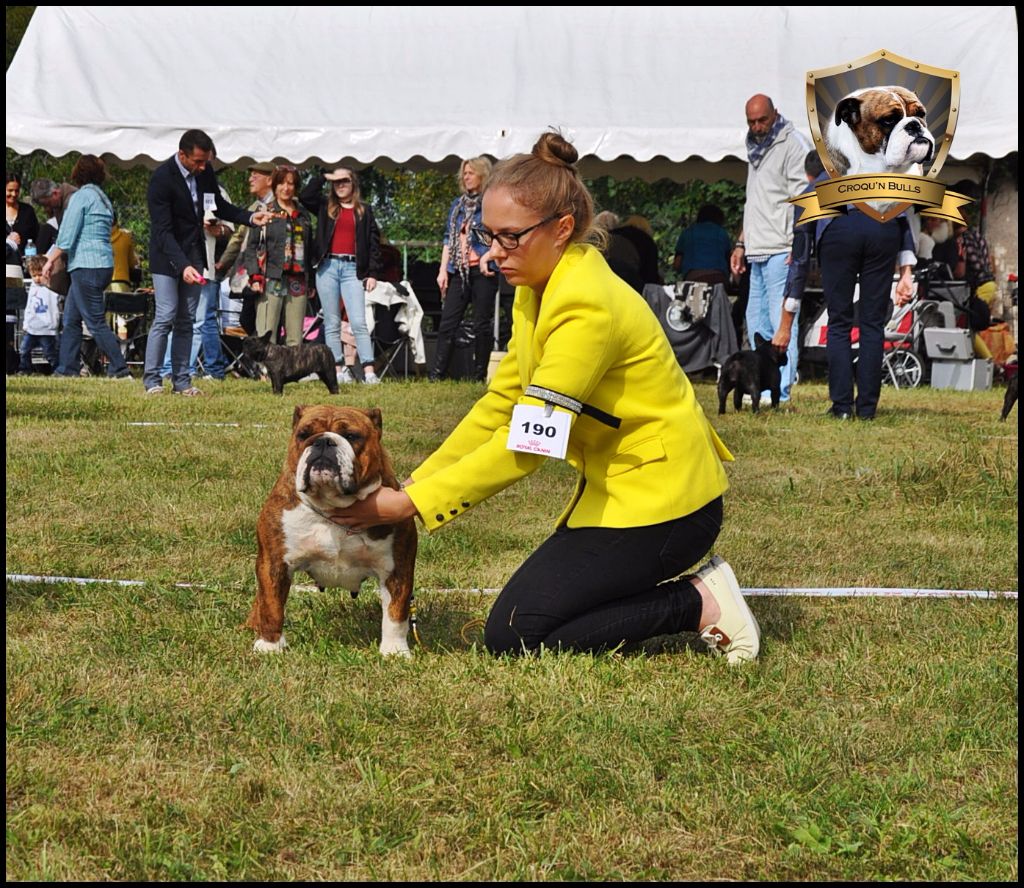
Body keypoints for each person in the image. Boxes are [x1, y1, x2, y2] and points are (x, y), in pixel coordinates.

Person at [328, 132, 760, 664]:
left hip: (671, 508)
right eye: (488, 235)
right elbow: (501, 401)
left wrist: (411, 504)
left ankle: (698, 603)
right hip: (621, 493)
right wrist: (420, 480)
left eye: (510, 237)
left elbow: (531, 442)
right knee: (520, 625)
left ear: (560, 230)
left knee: (515, 635)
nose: (492, 253)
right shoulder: (539, 287)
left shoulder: (585, 307)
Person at [142, 129, 274, 396]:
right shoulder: (161, 179)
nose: (203, 167)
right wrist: (182, 266)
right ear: (182, 155)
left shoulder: (205, 173)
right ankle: (153, 380)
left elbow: (221, 208)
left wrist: (250, 218)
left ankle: (182, 381)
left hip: (194, 254)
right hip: (167, 257)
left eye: (207, 162)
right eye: (198, 162)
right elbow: (163, 232)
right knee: (166, 315)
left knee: (187, 319)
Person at [729, 94, 809, 403]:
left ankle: (781, 388)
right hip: (757, 246)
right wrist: (740, 243)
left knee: (781, 321)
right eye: (751, 121)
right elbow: (755, 203)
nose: (757, 126)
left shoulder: (792, 145)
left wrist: (798, 242)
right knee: (756, 320)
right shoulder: (755, 148)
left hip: (782, 246)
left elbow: (804, 198)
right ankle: (756, 385)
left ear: (775, 114)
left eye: (762, 120)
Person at [40, 154, 132, 380]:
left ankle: (120, 369)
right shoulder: (103, 199)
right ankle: (67, 368)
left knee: (95, 321)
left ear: (77, 173)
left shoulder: (80, 198)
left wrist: (49, 261)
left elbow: (67, 236)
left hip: (86, 265)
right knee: (71, 319)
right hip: (104, 265)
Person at [300, 165, 383, 384]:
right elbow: (305, 196)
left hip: (352, 269)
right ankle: (337, 371)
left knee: (358, 321)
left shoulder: (363, 210)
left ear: (353, 182)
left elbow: (374, 243)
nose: (341, 186)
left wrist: (372, 273)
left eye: (345, 181)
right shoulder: (325, 207)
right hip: (327, 267)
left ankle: (369, 371)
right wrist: (322, 176)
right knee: (332, 321)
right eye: (336, 182)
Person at [430, 157, 498, 381]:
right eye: (464, 173)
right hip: (459, 270)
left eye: (471, 173)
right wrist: (443, 271)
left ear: (482, 175)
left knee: (481, 324)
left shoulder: (491, 203)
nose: (466, 177)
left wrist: (486, 255)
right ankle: (436, 376)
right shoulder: (457, 206)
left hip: (483, 270)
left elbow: (497, 235)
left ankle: (479, 376)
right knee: (447, 323)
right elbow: (448, 239)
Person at [243, 165, 311, 346]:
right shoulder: (266, 211)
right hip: (270, 277)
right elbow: (251, 248)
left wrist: (311, 279)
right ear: (275, 185)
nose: (286, 188)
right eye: (281, 183)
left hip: (298, 280)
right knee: (266, 332)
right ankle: (265, 373)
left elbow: (310, 248)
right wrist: (254, 276)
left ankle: (293, 372)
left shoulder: (303, 215)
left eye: (290, 184)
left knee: (295, 336)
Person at [218, 162, 277, 335]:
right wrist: (223, 263)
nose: (250, 179)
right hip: (252, 272)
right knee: (247, 319)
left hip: (271, 273)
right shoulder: (254, 207)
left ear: (269, 179)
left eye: (255, 175)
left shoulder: (280, 206)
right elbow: (238, 238)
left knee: (266, 320)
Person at [29, 176, 77, 297]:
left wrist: (50, 260)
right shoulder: (59, 204)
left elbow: (67, 236)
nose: (46, 209)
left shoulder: (72, 201)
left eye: (47, 204)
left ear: (55, 193)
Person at [17, 255, 60, 374]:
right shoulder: (33, 288)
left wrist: (54, 323)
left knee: (50, 353)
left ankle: (57, 369)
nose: (37, 279)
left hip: (47, 329)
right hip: (32, 328)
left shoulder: (52, 288)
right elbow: (29, 306)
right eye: (34, 275)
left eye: (39, 275)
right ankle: (25, 370)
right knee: (24, 350)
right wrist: (26, 323)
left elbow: (56, 305)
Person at [672, 204, 731, 284]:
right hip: (719, 277)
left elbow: (677, 264)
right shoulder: (722, 233)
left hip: (693, 277)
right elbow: (729, 263)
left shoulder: (688, 233)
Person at [6, 172, 39, 259]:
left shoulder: (27, 211)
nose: (13, 194)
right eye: (10, 190)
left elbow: (37, 236)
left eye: (16, 191)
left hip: (24, 264)